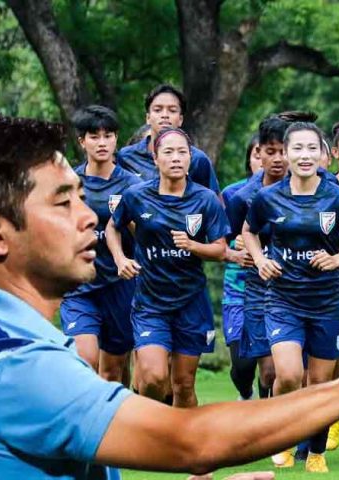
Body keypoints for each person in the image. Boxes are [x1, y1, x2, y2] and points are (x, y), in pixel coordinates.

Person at [0, 116, 339, 479]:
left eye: (83, 197)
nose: (89, 218)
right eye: (63, 202)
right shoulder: (14, 365)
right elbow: (192, 441)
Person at [243, 121, 339, 473]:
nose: (305, 155)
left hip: (327, 301)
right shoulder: (268, 198)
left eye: (312, 148)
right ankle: (280, 437)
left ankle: (314, 450)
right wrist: (261, 259)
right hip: (282, 299)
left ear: (324, 154)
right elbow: (249, 233)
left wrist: (336, 259)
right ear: (286, 152)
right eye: (297, 148)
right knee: (288, 374)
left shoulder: (338, 198)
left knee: (321, 382)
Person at [106, 128, 229, 412]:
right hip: (150, 303)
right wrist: (120, 259)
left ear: (191, 158)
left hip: (191, 303)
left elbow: (220, 249)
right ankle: (149, 441)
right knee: (152, 379)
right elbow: (113, 227)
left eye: (182, 152)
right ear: (155, 158)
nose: (176, 158)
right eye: (168, 152)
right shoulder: (136, 196)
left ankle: (182, 452)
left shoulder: (206, 199)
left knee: (183, 385)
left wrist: (194, 246)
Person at [59, 106, 141, 383]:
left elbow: (148, 235)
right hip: (80, 285)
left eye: (108, 136)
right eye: (94, 136)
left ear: (116, 139)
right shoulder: (69, 182)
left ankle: (115, 424)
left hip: (120, 285)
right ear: (82, 141)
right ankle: (81, 424)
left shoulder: (133, 186)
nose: (102, 142)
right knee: (85, 360)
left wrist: (128, 222)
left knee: (114, 371)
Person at [225, 117, 291, 407]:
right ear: (258, 153)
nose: (277, 159)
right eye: (270, 152)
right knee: (265, 371)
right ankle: (263, 416)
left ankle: (300, 436)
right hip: (255, 289)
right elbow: (227, 241)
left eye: (283, 151)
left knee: (293, 371)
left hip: (302, 287)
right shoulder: (240, 198)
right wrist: (240, 246)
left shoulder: (313, 189)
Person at [116, 84, 220, 192]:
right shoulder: (127, 157)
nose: (165, 115)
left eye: (172, 110)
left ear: (180, 119)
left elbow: (215, 204)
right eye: (158, 110)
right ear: (148, 118)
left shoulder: (198, 160)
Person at [221, 134, 263, 400]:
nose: (263, 159)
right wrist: (234, 246)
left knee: (271, 368)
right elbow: (218, 242)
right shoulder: (232, 193)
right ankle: (246, 393)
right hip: (238, 287)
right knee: (243, 365)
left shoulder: (291, 195)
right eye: (257, 154)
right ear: (249, 159)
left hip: (276, 289)